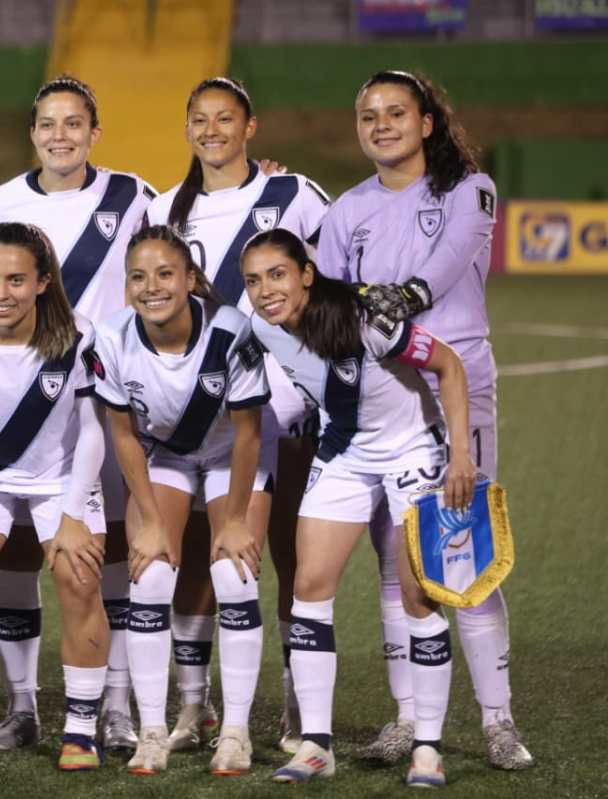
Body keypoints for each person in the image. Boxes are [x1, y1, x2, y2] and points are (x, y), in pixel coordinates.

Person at [315, 69, 532, 770]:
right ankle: (409, 717)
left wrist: (394, 297)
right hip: (384, 399)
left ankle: (499, 720)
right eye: (368, 114)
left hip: (455, 387)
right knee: (396, 559)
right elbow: (325, 302)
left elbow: (441, 269)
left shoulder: (471, 189)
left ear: (427, 121)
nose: (381, 124)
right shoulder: (347, 210)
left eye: (395, 112)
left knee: (461, 550)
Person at [241, 228, 476, 788]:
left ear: (306, 273)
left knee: (418, 597)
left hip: (412, 450)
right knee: (308, 589)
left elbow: (449, 367)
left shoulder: (368, 319)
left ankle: (426, 747)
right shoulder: (260, 326)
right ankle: (317, 745)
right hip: (345, 452)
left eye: (277, 274)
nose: (265, 290)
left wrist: (461, 455)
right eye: (253, 280)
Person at [147, 76, 331, 755]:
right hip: (202, 416)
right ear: (188, 127)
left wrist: (316, 379)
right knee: (198, 556)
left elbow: (331, 282)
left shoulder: (294, 194)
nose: (213, 129)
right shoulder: (165, 206)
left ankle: (291, 703)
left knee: (289, 553)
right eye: (200, 118)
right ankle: (194, 707)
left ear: (251, 127)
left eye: (226, 118)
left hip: (289, 411)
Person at [0, 76, 152, 751]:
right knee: (20, 551)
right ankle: (22, 706)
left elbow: (175, 248)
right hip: (22, 404)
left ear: (94, 132)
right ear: (33, 132)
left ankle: (116, 701)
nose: (60, 135)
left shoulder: (132, 194)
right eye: (47, 123)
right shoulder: (0, 201)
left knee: (104, 549)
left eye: (73, 123)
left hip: (105, 400)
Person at [0, 222, 108, 772]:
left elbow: (93, 431)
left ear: (42, 282)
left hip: (60, 477)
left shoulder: (79, 335)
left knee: (79, 576)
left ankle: (80, 730)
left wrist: (74, 514)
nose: (0, 293)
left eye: (14, 280)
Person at [94, 225, 270, 776]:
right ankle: (152, 731)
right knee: (148, 576)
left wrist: (236, 520)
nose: (151, 287)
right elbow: (122, 434)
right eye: (138, 277)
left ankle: (235, 732)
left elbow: (247, 435)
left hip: (230, 458)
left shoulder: (232, 333)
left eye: (165, 274)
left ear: (190, 280)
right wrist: (147, 521)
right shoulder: (113, 336)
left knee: (234, 574)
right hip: (166, 456)